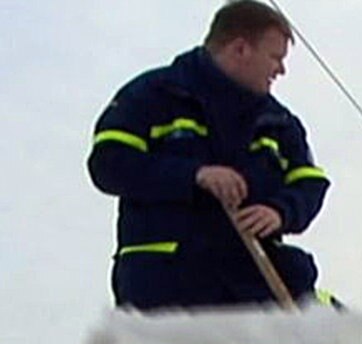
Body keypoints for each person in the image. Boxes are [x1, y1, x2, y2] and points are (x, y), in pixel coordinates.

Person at [88, 0, 330, 310]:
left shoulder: (280, 123)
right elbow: (109, 163)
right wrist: (194, 175)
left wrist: (280, 211)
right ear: (241, 49)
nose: (281, 69)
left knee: (330, 329)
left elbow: (309, 183)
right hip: (166, 292)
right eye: (275, 57)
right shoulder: (153, 96)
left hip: (252, 293)